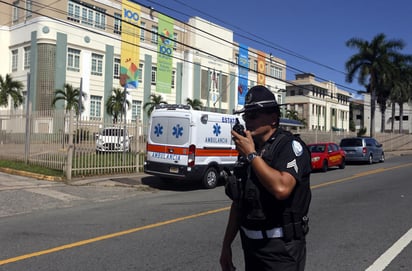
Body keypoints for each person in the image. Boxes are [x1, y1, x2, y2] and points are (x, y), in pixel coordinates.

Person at [220, 85, 312, 271]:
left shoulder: (289, 147)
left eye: (253, 116)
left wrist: (252, 156)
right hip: (251, 248)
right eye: (246, 116)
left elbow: (281, 188)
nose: (248, 121)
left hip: (281, 250)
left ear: (273, 118)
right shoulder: (250, 150)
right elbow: (238, 204)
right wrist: (226, 245)